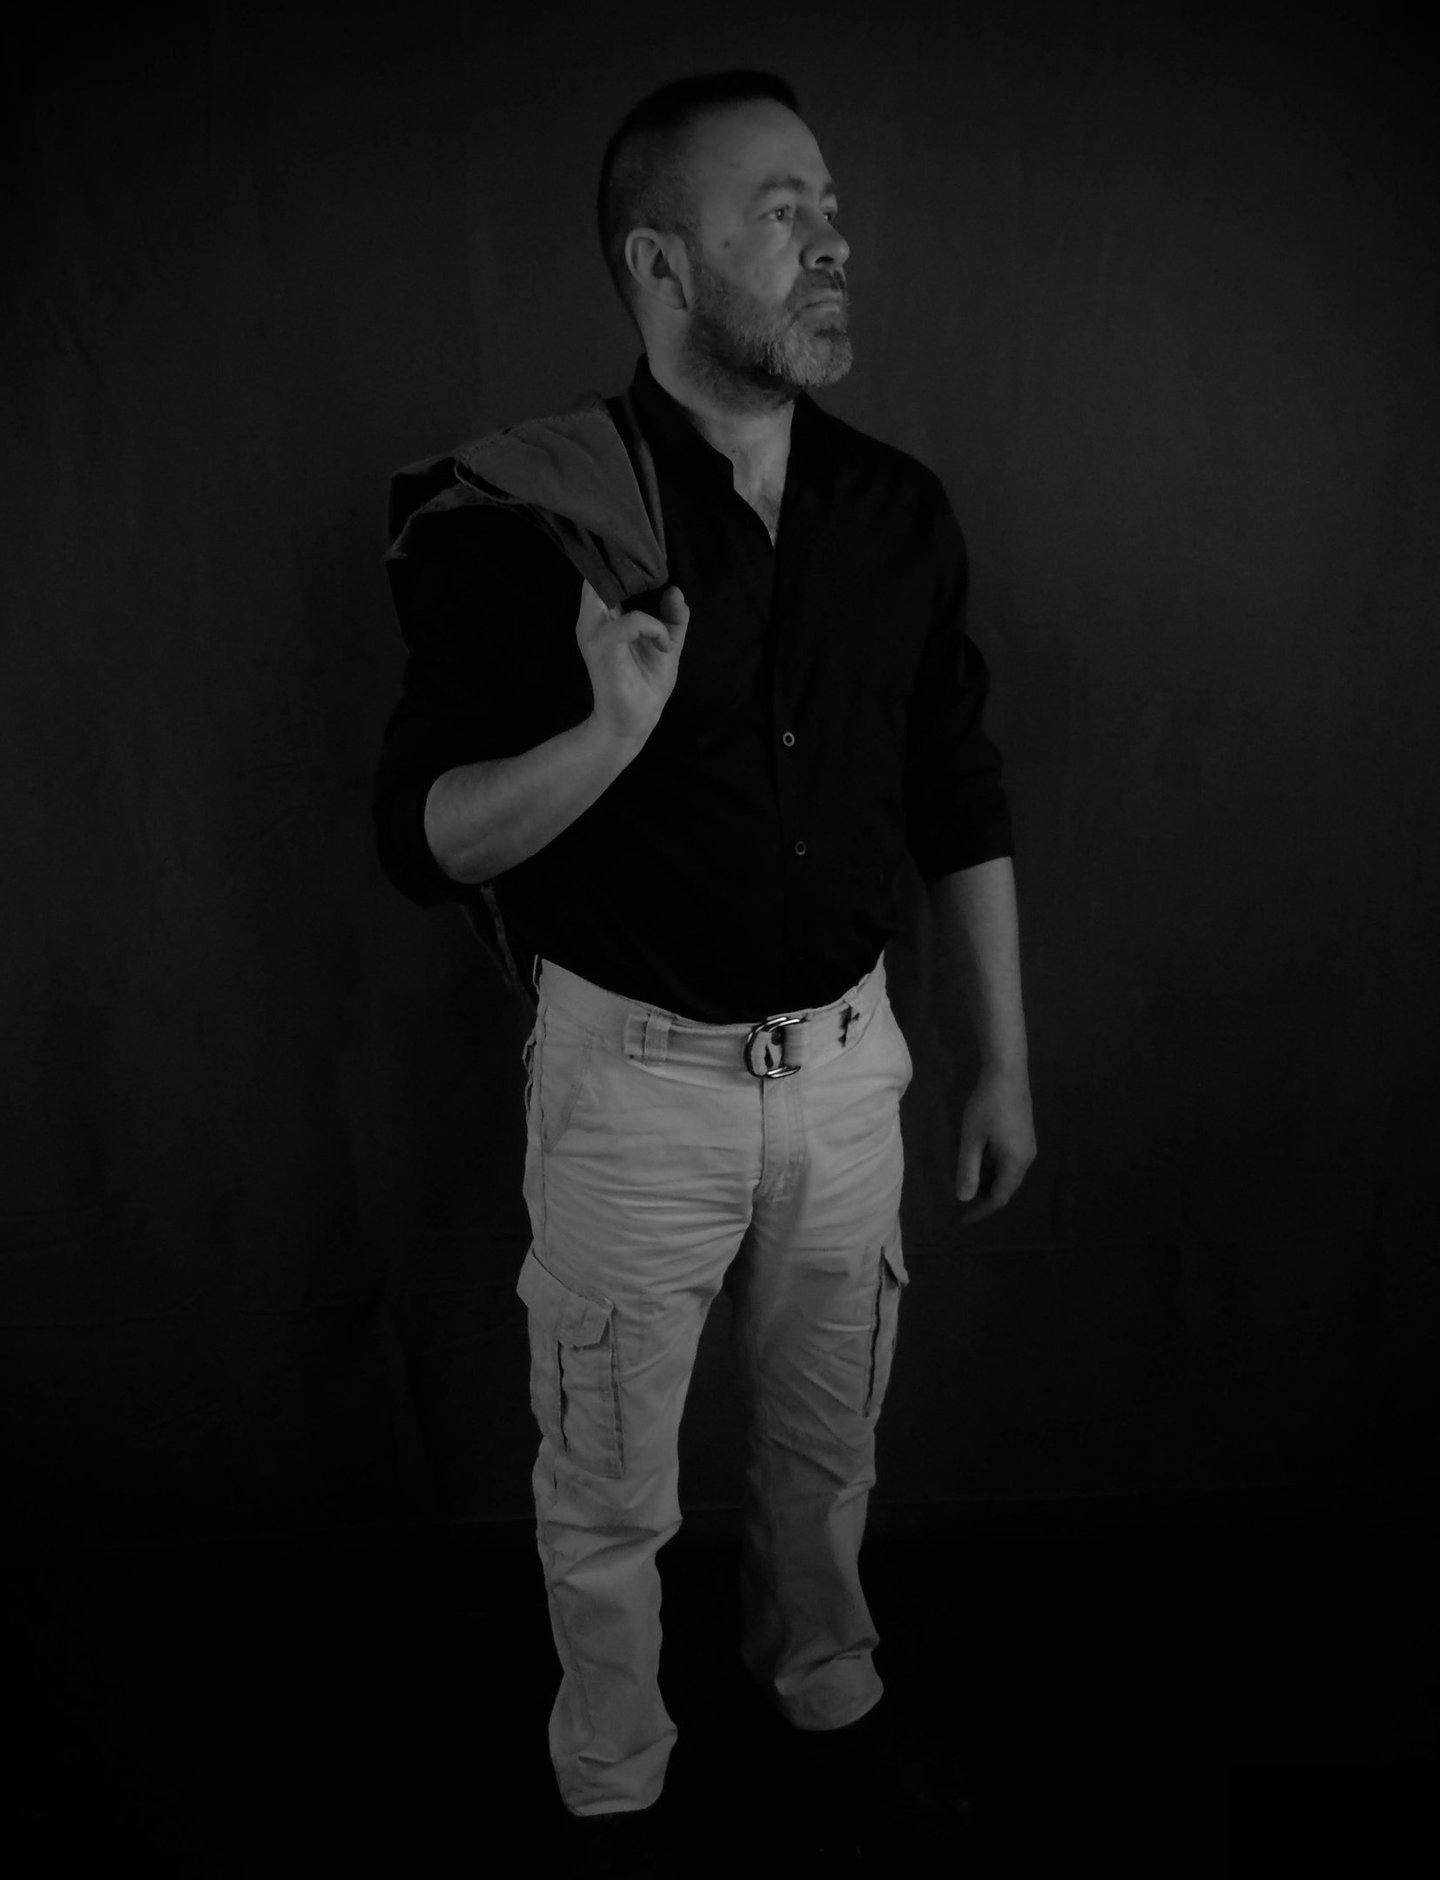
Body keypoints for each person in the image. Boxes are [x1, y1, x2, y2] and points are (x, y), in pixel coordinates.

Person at [372, 67, 1036, 1868]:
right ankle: (617, 1776)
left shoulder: (897, 514)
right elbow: (423, 837)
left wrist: (1002, 1063)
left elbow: (958, 792)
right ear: (660, 265)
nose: (833, 241)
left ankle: (828, 1689)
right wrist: (605, 734)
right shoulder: (536, 518)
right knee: (607, 1490)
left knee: (829, 1453)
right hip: (631, 1090)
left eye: (832, 206)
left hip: (851, 1072)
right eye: (781, 212)